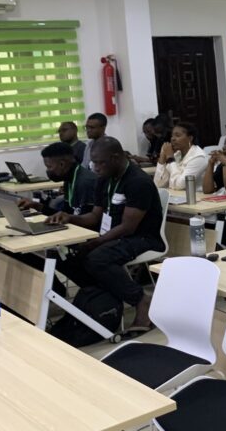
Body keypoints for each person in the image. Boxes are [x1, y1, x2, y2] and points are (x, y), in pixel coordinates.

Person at [52, 137, 164, 334]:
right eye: (93, 162)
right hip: (115, 235)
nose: (95, 167)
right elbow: (94, 216)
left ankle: (141, 299)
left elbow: (128, 227)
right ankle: (103, 294)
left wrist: (96, 242)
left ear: (116, 157)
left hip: (142, 237)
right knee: (64, 254)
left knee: (97, 258)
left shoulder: (138, 182)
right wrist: (69, 218)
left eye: (100, 162)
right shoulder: (104, 179)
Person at [18, 141, 98, 216]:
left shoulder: (86, 183)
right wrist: (36, 206)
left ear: (62, 164)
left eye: (49, 167)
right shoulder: (69, 179)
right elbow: (66, 215)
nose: (47, 171)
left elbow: (85, 221)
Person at [152, 122, 208, 191]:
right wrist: (162, 157)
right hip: (176, 195)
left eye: (177, 135)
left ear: (190, 138)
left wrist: (170, 159)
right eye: (172, 136)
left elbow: (180, 185)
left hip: (196, 196)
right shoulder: (177, 155)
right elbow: (158, 184)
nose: (173, 139)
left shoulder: (198, 157)